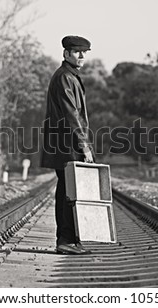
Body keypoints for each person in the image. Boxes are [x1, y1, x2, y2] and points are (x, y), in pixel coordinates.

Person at [41, 35, 95, 255]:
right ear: (66, 54)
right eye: (76, 52)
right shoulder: (65, 77)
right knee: (69, 193)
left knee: (68, 191)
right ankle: (66, 240)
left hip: (67, 145)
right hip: (67, 146)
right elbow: (72, 115)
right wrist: (84, 146)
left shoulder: (70, 76)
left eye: (84, 52)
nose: (81, 56)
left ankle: (70, 239)